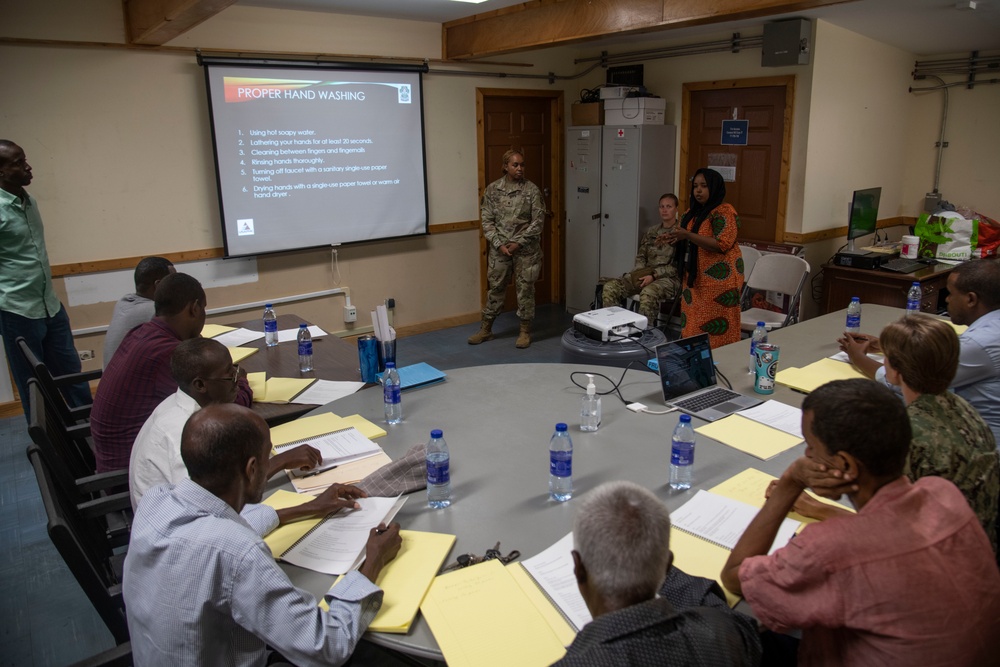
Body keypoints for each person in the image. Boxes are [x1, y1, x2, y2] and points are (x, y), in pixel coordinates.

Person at [721, 379, 1000, 666]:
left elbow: (734, 575)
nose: (807, 456)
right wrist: (824, 511)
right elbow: (888, 533)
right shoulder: (942, 495)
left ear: (845, 465)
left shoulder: (830, 549)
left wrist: (791, 481)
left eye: (811, 448)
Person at [123, 403, 402, 667]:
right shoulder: (239, 553)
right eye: (269, 455)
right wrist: (372, 560)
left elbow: (216, 531)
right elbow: (329, 645)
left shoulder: (156, 501)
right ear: (252, 469)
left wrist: (307, 508)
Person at [796, 315, 998, 553]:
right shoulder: (966, 409)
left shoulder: (908, 436)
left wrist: (819, 508)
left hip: (949, 557)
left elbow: (893, 529)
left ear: (893, 373)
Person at [553, 481, 761, 667]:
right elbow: (736, 624)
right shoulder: (722, 635)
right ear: (668, 565)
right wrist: (651, 560)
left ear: (578, 568)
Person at [128, 337, 320, 510]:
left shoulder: (179, 402)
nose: (238, 381)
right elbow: (208, 507)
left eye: (235, 369)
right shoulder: (185, 435)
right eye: (230, 376)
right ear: (200, 385)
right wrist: (281, 462)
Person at [91, 272, 252, 472]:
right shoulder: (167, 354)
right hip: (131, 472)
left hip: (115, 455)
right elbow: (223, 407)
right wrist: (241, 382)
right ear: (194, 308)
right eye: (203, 308)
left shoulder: (143, 332)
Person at [839, 259, 1000, 445]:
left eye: (950, 294)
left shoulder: (979, 343)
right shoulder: (991, 328)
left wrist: (858, 358)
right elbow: (937, 355)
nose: (947, 299)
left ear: (971, 299)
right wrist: (888, 345)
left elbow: (910, 381)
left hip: (979, 446)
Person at [0, 140, 91, 416]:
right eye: (17, 162)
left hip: (50, 306)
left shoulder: (30, 201)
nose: (27, 167)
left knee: (73, 377)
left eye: (24, 159)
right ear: (1, 171)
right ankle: (52, 453)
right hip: (18, 310)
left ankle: (92, 440)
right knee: (35, 388)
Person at [469, 149, 545, 349]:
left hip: (526, 251)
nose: (520, 168)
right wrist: (499, 244)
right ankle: (486, 329)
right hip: (500, 250)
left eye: (522, 165)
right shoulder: (493, 190)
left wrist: (519, 242)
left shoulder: (532, 191)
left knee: (525, 291)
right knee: (496, 289)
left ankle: (524, 331)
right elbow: (487, 221)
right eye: (515, 165)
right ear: (505, 167)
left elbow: (538, 222)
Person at [667, 168, 744, 348]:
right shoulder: (690, 214)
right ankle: (696, 363)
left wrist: (687, 236)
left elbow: (721, 244)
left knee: (717, 332)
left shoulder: (724, 212)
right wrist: (671, 239)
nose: (698, 190)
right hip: (694, 280)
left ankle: (721, 368)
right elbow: (683, 237)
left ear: (715, 187)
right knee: (693, 327)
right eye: (695, 186)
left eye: (704, 186)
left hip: (720, 283)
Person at [600, 193, 681, 324]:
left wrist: (654, 276)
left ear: (676, 209)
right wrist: (639, 273)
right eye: (661, 207)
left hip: (669, 278)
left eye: (669, 206)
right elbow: (641, 256)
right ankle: (614, 327)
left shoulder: (681, 234)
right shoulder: (652, 232)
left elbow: (678, 266)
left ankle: (646, 334)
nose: (664, 210)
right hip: (646, 274)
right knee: (611, 287)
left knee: (648, 293)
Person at [103, 256, 175, 369]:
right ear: (158, 285)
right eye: (173, 281)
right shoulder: (154, 312)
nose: (177, 287)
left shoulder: (123, 303)